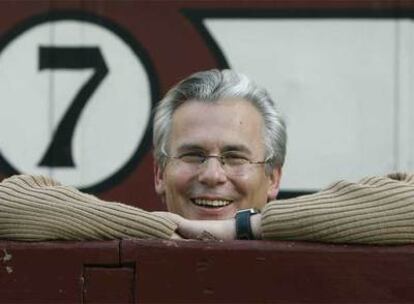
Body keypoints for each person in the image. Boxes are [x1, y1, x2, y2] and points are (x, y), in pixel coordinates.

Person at [1, 70, 414, 244]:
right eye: (193, 155)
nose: (213, 175)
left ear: (273, 178)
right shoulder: (148, 231)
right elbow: (9, 201)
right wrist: (164, 230)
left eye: (235, 156)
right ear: (160, 172)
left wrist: (243, 230)